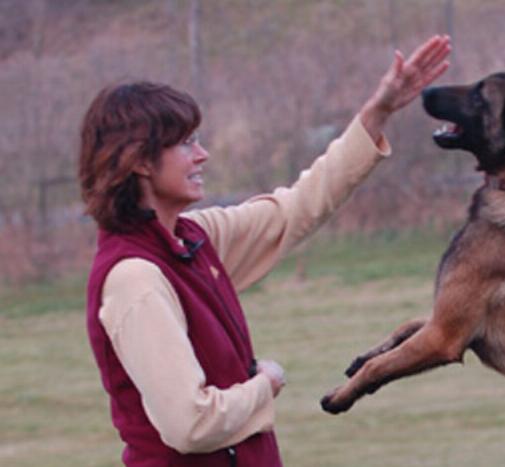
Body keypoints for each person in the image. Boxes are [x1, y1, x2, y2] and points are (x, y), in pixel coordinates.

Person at [80, 35, 450, 466]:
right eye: (184, 143)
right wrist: (266, 383)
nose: (202, 155)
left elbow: (297, 207)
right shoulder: (134, 278)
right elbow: (189, 424)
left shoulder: (195, 238)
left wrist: (377, 112)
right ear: (139, 161)